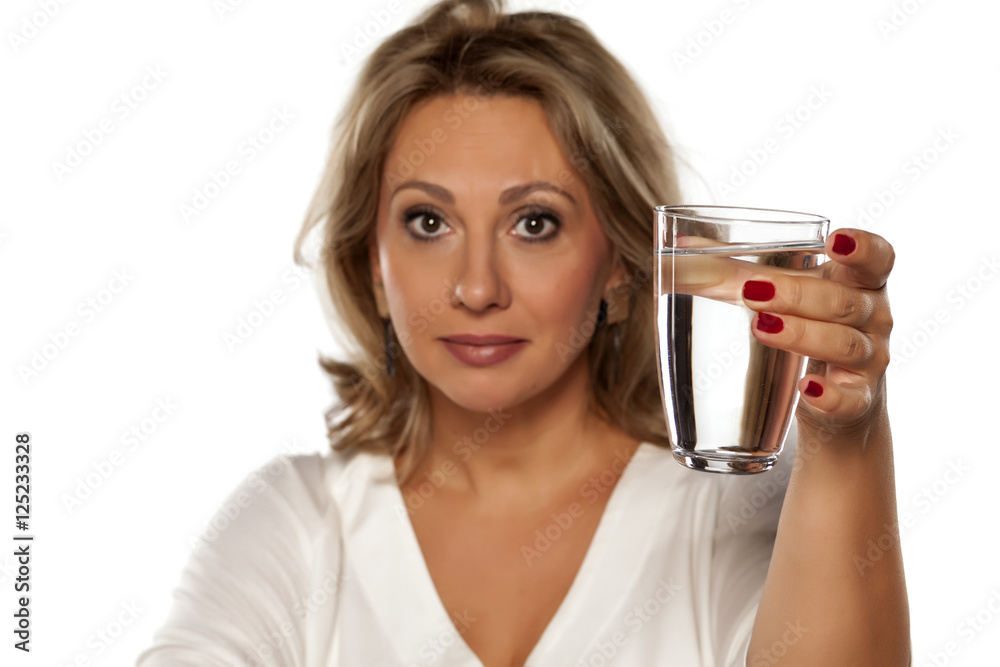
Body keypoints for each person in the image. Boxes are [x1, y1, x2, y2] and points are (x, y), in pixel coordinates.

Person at [137, 1, 910, 665]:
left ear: (619, 261)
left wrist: (848, 432)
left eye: (534, 223)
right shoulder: (299, 528)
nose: (477, 288)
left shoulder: (727, 515)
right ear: (371, 264)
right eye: (427, 221)